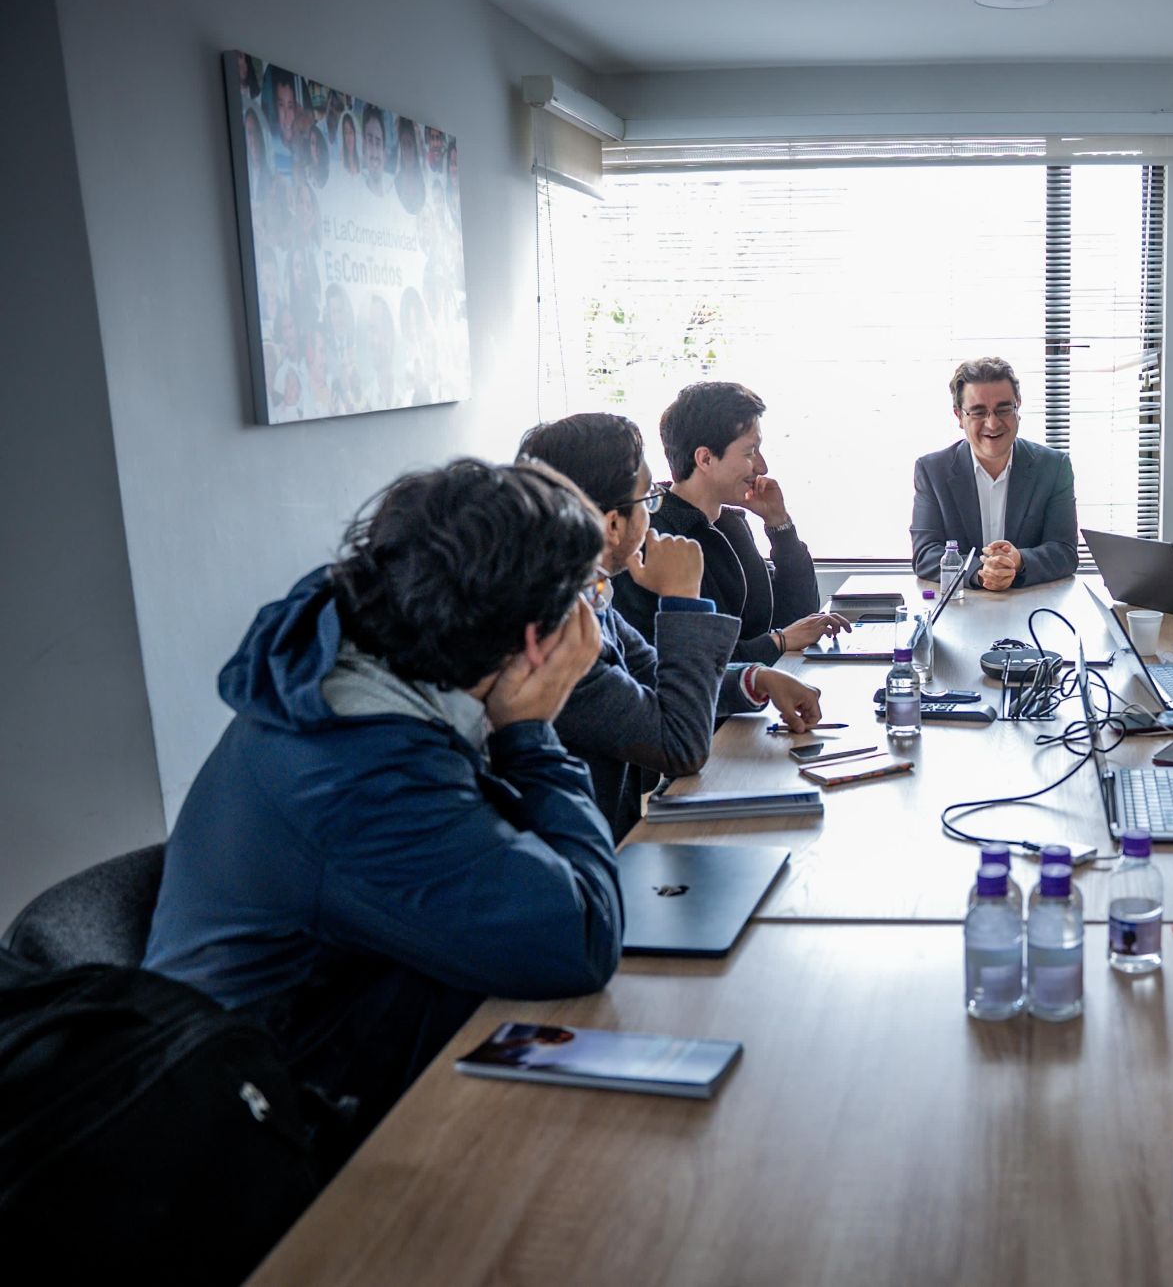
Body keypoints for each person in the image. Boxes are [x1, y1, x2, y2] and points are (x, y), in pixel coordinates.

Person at [144, 460, 625, 1146]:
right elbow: (579, 941)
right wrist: (532, 733)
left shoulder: (358, 644)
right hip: (277, 1132)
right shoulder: (360, 772)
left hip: (365, 1033)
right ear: (532, 642)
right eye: (585, 599)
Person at [517, 413, 825, 841]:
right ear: (611, 524)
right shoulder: (560, 633)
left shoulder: (589, 599)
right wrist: (683, 599)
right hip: (584, 858)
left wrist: (753, 679)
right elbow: (680, 746)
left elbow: (654, 673)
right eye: (648, 502)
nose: (653, 514)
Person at [612, 381, 845, 663]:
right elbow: (695, 661)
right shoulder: (654, 540)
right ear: (706, 459)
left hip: (752, 687)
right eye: (749, 453)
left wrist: (779, 524)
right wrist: (778, 642)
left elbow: (796, 617)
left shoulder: (730, 524)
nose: (762, 467)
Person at [910, 356, 1078, 591]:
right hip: (960, 611)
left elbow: (1065, 552)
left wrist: (1018, 561)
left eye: (1003, 409)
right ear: (959, 416)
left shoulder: (1054, 466)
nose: (992, 423)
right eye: (978, 412)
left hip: (1033, 609)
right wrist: (980, 574)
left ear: (1018, 406)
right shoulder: (932, 470)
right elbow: (925, 555)